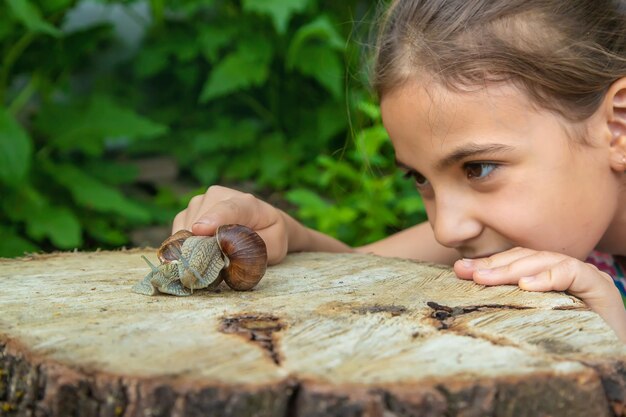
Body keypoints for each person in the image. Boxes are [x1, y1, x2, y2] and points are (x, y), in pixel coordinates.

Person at [173, 0, 626, 341]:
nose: (446, 229)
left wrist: (613, 350)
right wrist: (287, 233)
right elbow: (361, 269)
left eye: (479, 168)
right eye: (421, 178)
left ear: (618, 127)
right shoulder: (498, 232)